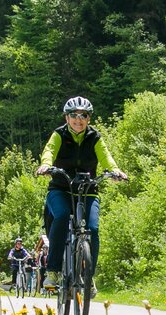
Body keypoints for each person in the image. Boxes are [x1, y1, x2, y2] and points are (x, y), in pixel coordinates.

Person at [36, 96, 128, 289]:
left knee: (92, 230)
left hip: (87, 190)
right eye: (73, 115)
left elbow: (106, 156)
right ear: (66, 118)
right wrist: (46, 165)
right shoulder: (59, 135)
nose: (78, 119)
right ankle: (53, 272)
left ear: (89, 118)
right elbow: (49, 151)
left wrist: (115, 170)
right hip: (61, 188)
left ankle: (88, 275)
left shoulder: (94, 137)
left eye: (83, 115)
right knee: (61, 216)